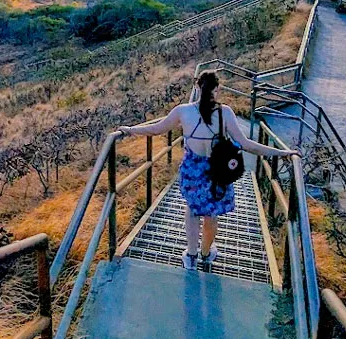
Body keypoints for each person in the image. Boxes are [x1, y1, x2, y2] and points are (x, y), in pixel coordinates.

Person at [120, 71, 300, 271]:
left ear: (197, 87)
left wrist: (130, 129)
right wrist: (280, 152)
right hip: (216, 171)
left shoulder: (182, 111)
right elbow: (246, 144)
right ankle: (206, 254)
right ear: (217, 90)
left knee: (192, 209)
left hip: (192, 169)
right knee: (211, 215)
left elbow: (155, 129)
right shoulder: (225, 113)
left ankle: (191, 256)